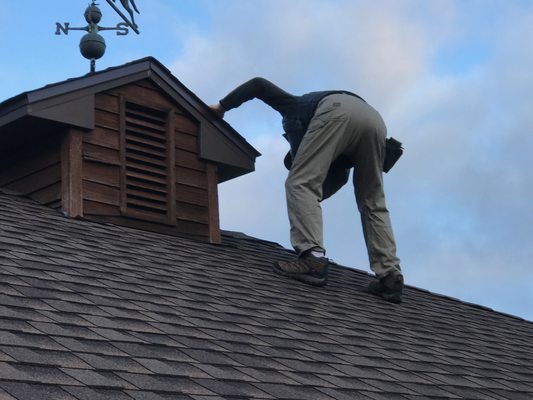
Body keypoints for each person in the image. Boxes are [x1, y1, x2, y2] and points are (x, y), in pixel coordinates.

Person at [211, 77, 404, 303]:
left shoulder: (294, 108)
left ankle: (313, 259)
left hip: (335, 110)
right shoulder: (336, 161)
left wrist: (221, 106)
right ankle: (390, 277)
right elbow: (327, 187)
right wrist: (306, 201)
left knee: (298, 182)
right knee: (373, 201)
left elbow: (258, 85)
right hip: (374, 120)